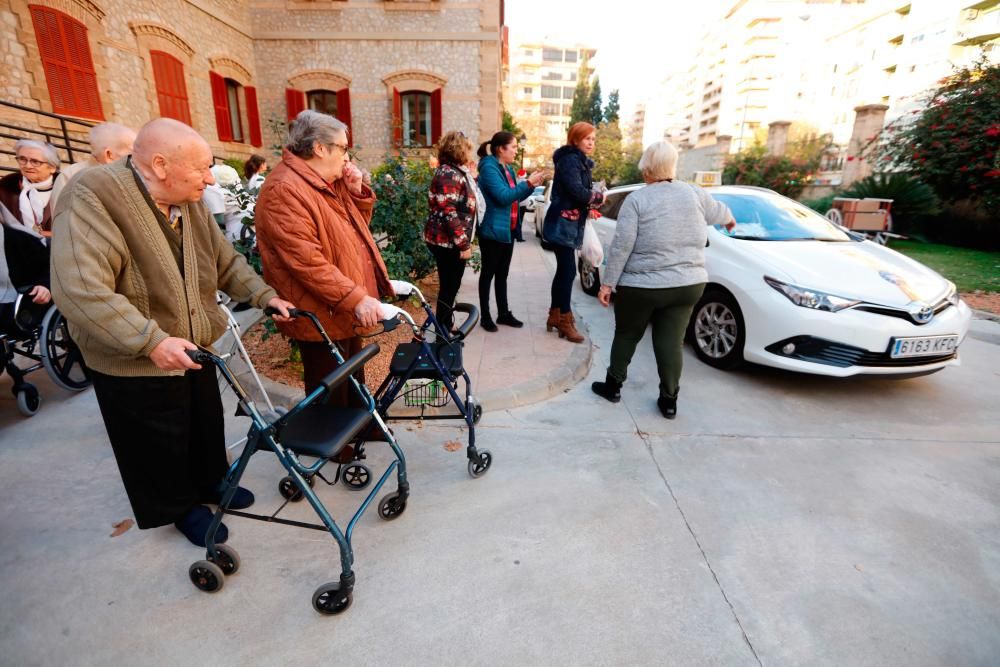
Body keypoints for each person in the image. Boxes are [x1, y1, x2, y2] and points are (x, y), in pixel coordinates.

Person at [50, 118, 294, 547]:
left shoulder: (190, 198)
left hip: (193, 341)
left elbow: (223, 260)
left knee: (202, 421)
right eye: (200, 169)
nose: (208, 178)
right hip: (135, 354)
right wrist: (151, 340)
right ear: (160, 165)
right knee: (158, 437)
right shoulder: (93, 195)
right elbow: (81, 287)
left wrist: (264, 296)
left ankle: (211, 484)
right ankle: (181, 507)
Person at [254, 109, 392, 399]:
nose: (346, 157)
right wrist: (355, 298)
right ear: (319, 148)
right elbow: (306, 261)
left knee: (352, 381)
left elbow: (350, 237)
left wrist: (354, 193)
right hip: (321, 309)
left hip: (340, 302)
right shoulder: (284, 189)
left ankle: (359, 434)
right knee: (330, 393)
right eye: (342, 148)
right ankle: (334, 445)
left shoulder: (323, 182)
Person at [591, 141, 734, 419]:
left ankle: (613, 386)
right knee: (670, 342)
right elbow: (718, 211)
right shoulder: (693, 192)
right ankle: (669, 401)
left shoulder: (637, 200)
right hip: (687, 285)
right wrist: (729, 220)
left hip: (642, 286)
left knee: (627, 334)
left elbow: (622, 246)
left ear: (647, 171)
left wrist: (607, 284)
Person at [542, 122, 604, 344]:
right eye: (587, 138)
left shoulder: (578, 161)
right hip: (562, 223)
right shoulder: (570, 160)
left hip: (569, 222)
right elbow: (577, 191)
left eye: (593, 139)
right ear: (575, 139)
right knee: (568, 272)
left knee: (564, 272)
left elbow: (576, 194)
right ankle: (565, 320)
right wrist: (597, 198)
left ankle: (555, 315)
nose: (591, 142)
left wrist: (589, 208)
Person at [476, 131, 544, 332]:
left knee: (502, 274)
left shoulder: (508, 169)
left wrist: (531, 186)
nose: (516, 150)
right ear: (500, 149)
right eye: (513, 147)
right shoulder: (489, 167)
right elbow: (503, 197)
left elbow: (515, 197)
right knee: (488, 274)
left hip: (507, 229)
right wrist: (528, 184)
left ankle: (503, 314)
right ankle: (486, 316)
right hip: (492, 230)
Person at [0, 141, 57, 333]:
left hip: (59, 249)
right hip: (21, 252)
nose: (27, 165)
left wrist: (46, 234)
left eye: (35, 161)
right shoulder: (7, 186)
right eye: (22, 159)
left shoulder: (65, 187)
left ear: (52, 167)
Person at [424, 131, 477, 333]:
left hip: (448, 240)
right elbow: (448, 210)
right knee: (449, 287)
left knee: (450, 287)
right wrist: (463, 244)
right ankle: (442, 333)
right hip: (447, 242)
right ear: (460, 149)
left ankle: (444, 326)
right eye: (468, 150)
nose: (470, 154)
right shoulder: (449, 173)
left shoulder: (453, 171)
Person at [51, 123, 136, 206]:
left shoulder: (130, 175)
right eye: (132, 153)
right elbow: (62, 217)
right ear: (109, 154)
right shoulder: (69, 176)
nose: (136, 159)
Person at [203, 163, 253, 242]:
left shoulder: (208, 185)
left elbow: (217, 221)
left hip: (239, 232)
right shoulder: (226, 169)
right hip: (253, 219)